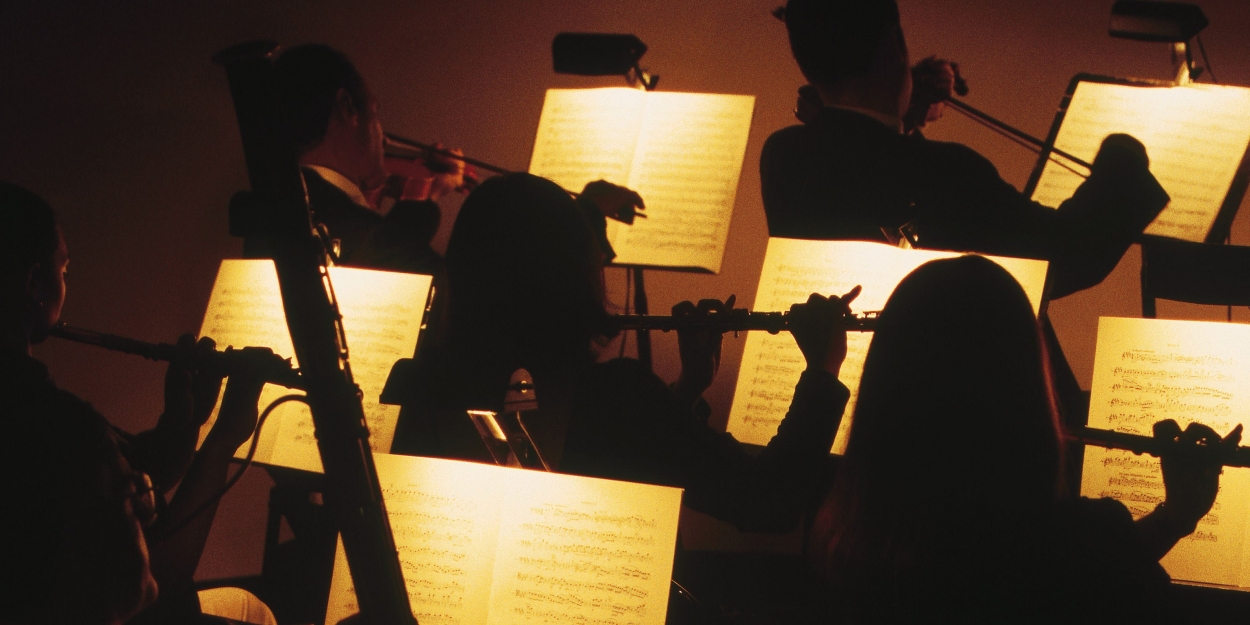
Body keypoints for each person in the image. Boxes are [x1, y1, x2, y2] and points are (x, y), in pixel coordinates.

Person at [392, 172, 853, 533]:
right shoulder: (621, 400)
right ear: (576, 281)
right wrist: (822, 370)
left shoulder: (414, 389)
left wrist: (688, 386)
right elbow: (768, 504)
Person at [808, 256, 1237, 623]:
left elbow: (1044, 561)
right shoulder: (1086, 543)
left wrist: (1172, 518)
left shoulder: (843, 542)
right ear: (1027, 389)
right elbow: (1084, 566)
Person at [763, 0, 1170, 299]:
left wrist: (900, 108)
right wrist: (1125, 157)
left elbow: (862, 159)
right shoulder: (950, 172)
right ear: (893, 45)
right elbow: (1067, 253)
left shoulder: (783, 156)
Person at [0, 182, 268, 624]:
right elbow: (151, 587)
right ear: (34, 283)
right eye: (62, 271)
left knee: (245, 604)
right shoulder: (60, 426)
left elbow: (122, 473)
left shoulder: (44, 416)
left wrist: (183, 422)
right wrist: (223, 439)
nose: (66, 283)